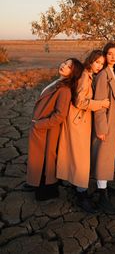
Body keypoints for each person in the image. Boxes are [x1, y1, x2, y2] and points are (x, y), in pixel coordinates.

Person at [56, 50, 110, 213]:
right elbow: (80, 102)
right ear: (91, 61)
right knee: (81, 160)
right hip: (78, 122)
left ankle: (78, 188)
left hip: (80, 122)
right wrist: (101, 103)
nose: (99, 66)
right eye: (97, 62)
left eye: (102, 64)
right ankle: (82, 195)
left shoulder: (88, 75)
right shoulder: (85, 76)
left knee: (78, 158)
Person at [27, 58, 83, 201]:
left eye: (69, 66)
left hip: (47, 131)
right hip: (41, 128)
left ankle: (48, 191)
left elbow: (59, 116)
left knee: (46, 161)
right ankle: (37, 185)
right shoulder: (58, 82)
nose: (64, 66)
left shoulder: (64, 90)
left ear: (73, 72)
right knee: (39, 160)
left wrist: (39, 124)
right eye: (65, 63)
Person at [92, 42, 115, 214]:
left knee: (107, 159)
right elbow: (100, 104)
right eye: (110, 54)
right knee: (103, 160)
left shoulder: (114, 73)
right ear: (105, 55)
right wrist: (101, 128)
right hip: (107, 124)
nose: (113, 57)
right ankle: (102, 198)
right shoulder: (104, 74)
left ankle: (103, 190)